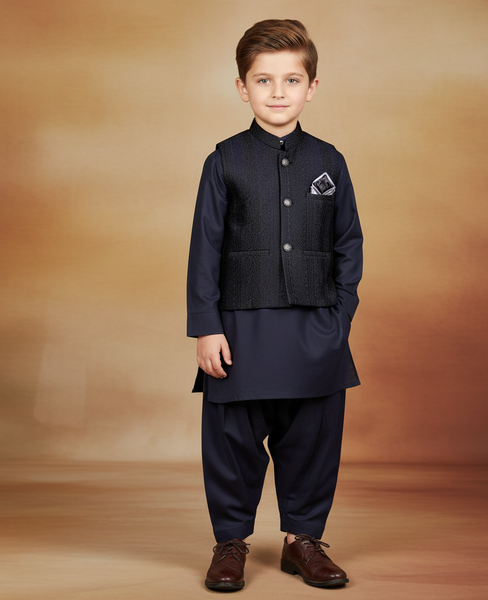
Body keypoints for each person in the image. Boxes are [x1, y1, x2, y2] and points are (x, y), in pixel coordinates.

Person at [187, 18, 363, 591]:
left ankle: (302, 542)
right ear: (243, 88)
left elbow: (349, 244)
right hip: (239, 331)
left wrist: (339, 318)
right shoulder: (224, 161)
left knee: (312, 439)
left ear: (312, 87)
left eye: (292, 80)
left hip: (316, 330)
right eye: (264, 80)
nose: (279, 92)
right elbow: (205, 248)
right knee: (232, 442)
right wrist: (206, 326)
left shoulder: (330, 162)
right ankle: (229, 543)